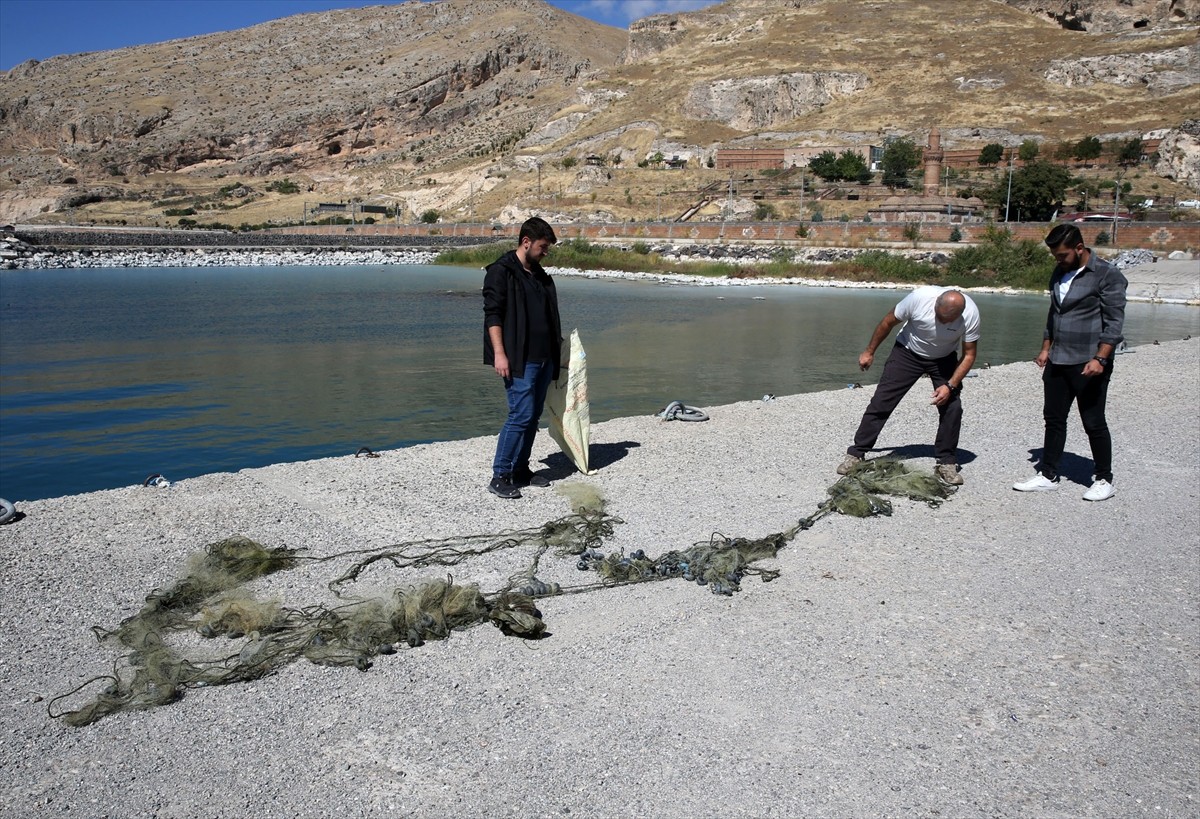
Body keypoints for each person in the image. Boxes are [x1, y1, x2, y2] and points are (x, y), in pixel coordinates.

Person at [1013, 224, 1126, 501]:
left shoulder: (1107, 275)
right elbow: (1055, 313)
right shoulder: (1060, 271)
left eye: (1062, 255)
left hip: (1089, 360)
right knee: (1053, 418)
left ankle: (1103, 479)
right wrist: (1045, 347)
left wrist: (1101, 357)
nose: (1058, 260)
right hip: (1058, 358)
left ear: (1079, 248)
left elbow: (1114, 322)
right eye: (1055, 256)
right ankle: (1048, 474)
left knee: (1093, 420)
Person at [838, 286, 980, 485]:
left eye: (949, 320)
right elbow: (887, 322)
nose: (944, 322)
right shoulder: (918, 299)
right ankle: (857, 453)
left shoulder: (971, 314)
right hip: (908, 353)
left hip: (944, 358)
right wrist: (870, 351)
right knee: (882, 402)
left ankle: (946, 462)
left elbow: (970, 355)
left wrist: (950, 385)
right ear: (936, 304)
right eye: (941, 317)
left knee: (953, 407)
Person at [482, 217, 562, 499]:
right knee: (520, 415)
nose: (545, 252)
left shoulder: (539, 275)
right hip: (518, 359)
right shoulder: (501, 272)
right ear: (526, 242)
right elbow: (493, 315)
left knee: (533, 416)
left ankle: (520, 469)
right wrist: (500, 355)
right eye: (542, 247)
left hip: (544, 359)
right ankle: (500, 475)